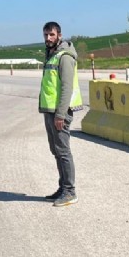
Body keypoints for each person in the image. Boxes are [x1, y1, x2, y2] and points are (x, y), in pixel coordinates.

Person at [39, 21, 82, 207]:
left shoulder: (64, 57)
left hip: (60, 112)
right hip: (50, 110)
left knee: (63, 151)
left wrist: (60, 115)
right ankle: (62, 187)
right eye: (46, 35)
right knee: (56, 151)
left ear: (59, 35)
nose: (48, 38)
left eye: (52, 35)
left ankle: (70, 191)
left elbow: (66, 88)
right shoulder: (51, 55)